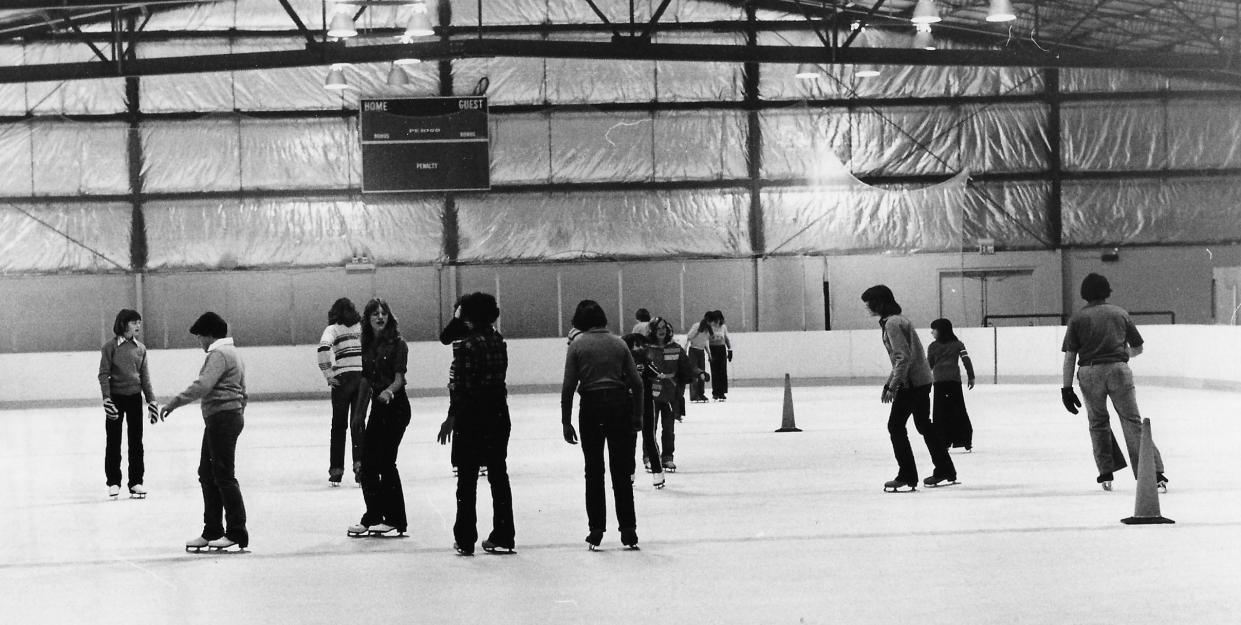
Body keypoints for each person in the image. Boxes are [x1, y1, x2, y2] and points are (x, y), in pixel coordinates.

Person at [1061, 273, 1168, 493]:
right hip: (1118, 370)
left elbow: (1070, 356)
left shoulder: (1077, 319)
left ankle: (1106, 473)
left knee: (1098, 422)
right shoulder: (1120, 314)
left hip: (1089, 372)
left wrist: (1066, 388)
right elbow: (1138, 348)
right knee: (1132, 421)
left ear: (1085, 294)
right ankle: (1154, 473)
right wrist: (1120, 354)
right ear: (1107, 291)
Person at [158, 312, 249, 552]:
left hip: (222, 418)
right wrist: (238, 411)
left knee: (223, 475)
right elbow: (243, 389)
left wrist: (173, 403)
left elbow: (203, 385)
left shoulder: (218, 354)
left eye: (200, 337)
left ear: (209, 335)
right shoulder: (232, 353)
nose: (199, 342)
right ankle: (212, 530)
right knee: (208, 473)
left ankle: (236, 531)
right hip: (225, 418)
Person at [561, 299, 644, 550]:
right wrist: (638, 416)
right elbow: (637, 384)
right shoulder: (619, 343)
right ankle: (628, 530)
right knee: (621, 471)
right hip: (619, 406)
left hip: (592, 408)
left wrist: (566, 421)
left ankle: (596, 529)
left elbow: (568, 387)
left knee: (594, 470)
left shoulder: (578, 345)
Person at [436, 292, 514, 555]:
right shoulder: (499, 341)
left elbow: (464, 388)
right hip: (498, 414)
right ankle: (503, 534)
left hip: (472, 417)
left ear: (467, 316)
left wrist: (451, 417)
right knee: (498, 476)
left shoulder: (468, 345)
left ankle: (465, 538)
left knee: (467, 481)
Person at [861, 285, 957, 492]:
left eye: (870, 302)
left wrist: (893, 385)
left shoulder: (892, 324)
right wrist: (890, 382)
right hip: (922, 380)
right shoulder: (899, 319)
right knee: (923, 424)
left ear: (880, 302)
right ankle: (945, 469)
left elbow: (902, 358)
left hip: (912, 383)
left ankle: (907, 475)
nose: (867, 307)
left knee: (895, 427)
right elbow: (903, 358)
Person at [347, 298, 411, 537]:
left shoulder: (398, 344)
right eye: (375, 314)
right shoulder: (367, 345)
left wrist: (388, 392)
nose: (380, 317)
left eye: (384, 313)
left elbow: (399, 379)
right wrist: (358, 413)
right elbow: (365, 379)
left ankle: (396, 520)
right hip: (378, 408)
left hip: (396, 408)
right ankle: (373, 515)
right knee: (368, 464)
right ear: (368, 319)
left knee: (386, 462)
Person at [98, 309, 159, 500]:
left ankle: (135, 482)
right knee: (113, 441)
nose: (138, 326)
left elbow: (145, 377)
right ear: (123, 324)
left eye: (139, 322)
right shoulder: (110, 347)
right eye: (134, 322)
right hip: (115, 399)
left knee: (136, 442)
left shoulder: (140, 348)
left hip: (134, 399)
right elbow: (103, 374)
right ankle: (113, 482)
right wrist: (107, 398)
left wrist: (151, 400)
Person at [644, 317, 708, 474]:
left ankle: (667, 457)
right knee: (650, 428)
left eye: (664, 328)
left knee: (668, 428)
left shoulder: (675, 348)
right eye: (658, 328)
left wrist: (699, 373)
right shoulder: (646, 349)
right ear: (652, 330)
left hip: (670, 393)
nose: (661, 331)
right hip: (650, 394)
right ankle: (650, 457)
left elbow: (688, 365)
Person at [316, 297, 363, 487]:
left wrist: (328, 373)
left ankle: (336, 471)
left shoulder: (333, 329)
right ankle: (361, 467)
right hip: (362, 378)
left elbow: (323, 348)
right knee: (358, 424)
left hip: (342, 379)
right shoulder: (362, 327)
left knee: (338, 426)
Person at [927, 318, 975, 452]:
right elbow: (966, 361)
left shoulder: (933, 346)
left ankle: (943, 441)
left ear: (941, 330)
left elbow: (928, 365)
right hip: (954, 382)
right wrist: (971, 376)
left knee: (940, 412)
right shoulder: (958, 344)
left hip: (939, 383)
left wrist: (923, 380)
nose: (932, 332)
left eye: (934, 329)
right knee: (958, 410)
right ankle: (965, 440)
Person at [706, 310, 733, 401]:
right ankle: (715, 392)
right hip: (713, 349)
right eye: (716, 319)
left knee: (722, 371)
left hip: (721, 349)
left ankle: (721, 392)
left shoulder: (723, 327)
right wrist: (708, 352)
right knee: (714, 371)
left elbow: (726, 339)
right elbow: (706, 339)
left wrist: (729, 350)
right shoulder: (710, 327)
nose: (717, 321)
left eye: (719, 319)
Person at [684, 314, 712, 403]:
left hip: (701, 351)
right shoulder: (697, 326)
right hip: (693, 351)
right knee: (694, 372)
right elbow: (689, 337)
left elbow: (705, 342)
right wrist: (697, 332)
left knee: (702, 372)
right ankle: (694, 395)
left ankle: (701, 393)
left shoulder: (708, 330)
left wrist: (709, 354)